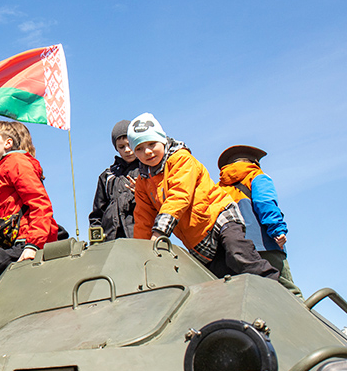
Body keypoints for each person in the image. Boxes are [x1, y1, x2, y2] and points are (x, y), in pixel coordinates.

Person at [128, 113, 279, 281]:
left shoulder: (180, 159)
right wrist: (141, 251)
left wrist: (159, 231)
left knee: (238, 252)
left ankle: (271, 282)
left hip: (217, 216)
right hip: (197, 237)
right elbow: (143, 217)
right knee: (218, 276)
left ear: (163, 140)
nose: (147, 152)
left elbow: (179, 195)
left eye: (151, 144)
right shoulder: (143, 182)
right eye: (139, 149)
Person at [217, 145, 304, 298]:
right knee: (288, 292)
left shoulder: (219, 188)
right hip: (265, 244)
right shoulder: (257, 176)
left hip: (236, 250)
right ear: (254, 162)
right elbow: (265, 203)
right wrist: (277, 230)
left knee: (253, 297)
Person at [0, 119, 59, 276]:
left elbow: (39, 203)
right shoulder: (3, 169)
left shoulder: (15, 162)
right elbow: (3, 222)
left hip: (26, 241)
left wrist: (32, 245)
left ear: (8, 143)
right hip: (14, 241)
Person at [88, 120, 139, 241]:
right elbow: (97, 214)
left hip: (139, 238)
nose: (127, 150)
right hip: (111, 239)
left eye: (130, 144)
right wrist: (96, 240)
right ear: (116, 148)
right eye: (121, 147)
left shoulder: (146, 170)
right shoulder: (107, 177)